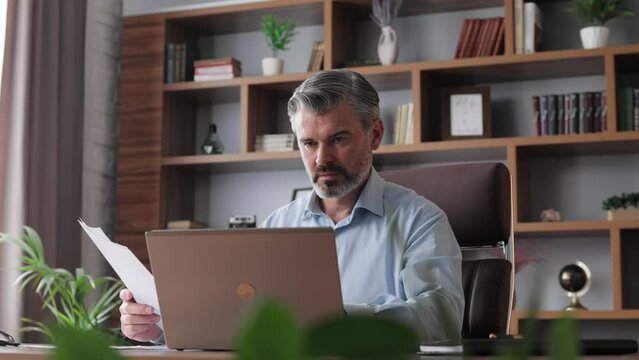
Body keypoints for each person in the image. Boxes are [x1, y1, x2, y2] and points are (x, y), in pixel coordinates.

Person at [119, 69, 464, 343]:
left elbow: (441, 317)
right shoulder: (278, 225)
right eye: (309, 143)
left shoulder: (421, 220)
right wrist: (158, 328)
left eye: (338, 139)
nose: (321, 158)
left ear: (374, 134)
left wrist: (339, 319)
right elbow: (240, 319)